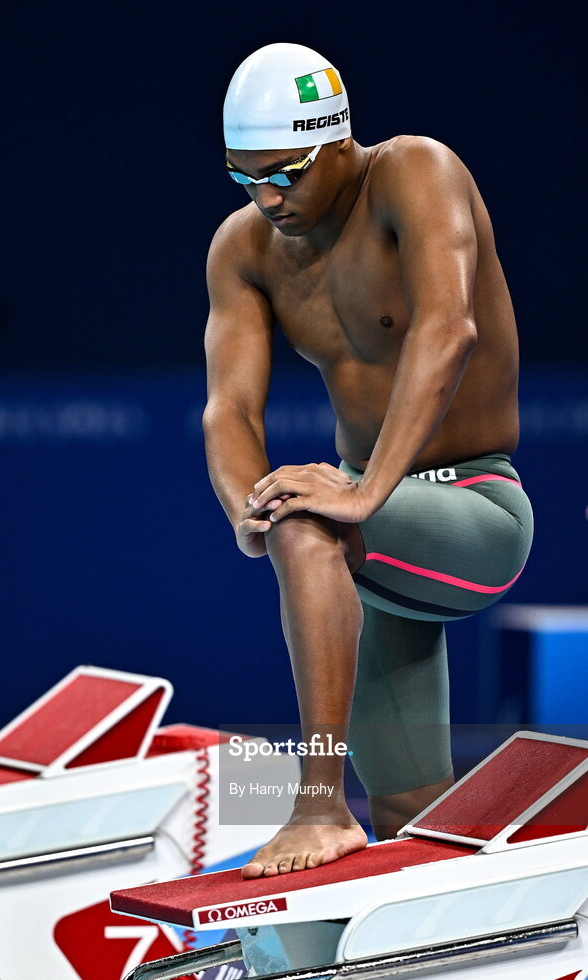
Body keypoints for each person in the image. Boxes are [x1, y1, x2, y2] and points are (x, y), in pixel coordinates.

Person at [203, 42, 533, 879]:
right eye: (244, 177)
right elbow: (229, 408)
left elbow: (447, 328)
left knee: (311, 515)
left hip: (475, 511)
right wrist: (249, 509)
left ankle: (317, 803)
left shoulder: (413, 171)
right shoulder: (242, 249)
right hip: (376, 547)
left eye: (283, 172)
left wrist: (361, 492)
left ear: (338, 141)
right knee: (410, 820)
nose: (266, 197)